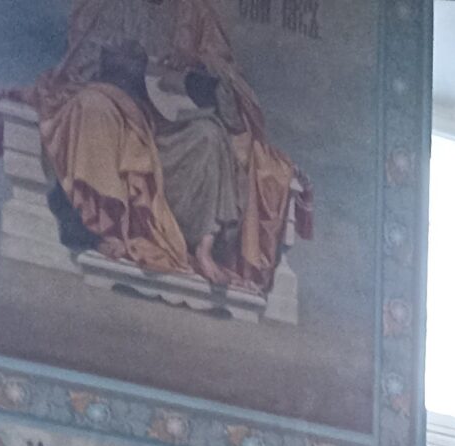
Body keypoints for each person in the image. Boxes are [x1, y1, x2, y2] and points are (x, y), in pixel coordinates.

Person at [30, 0, 300, 293]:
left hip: (166, 123)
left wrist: (198, 63)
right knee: (92, 106)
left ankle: (203, 249)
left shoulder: (196, 13)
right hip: (117, 108)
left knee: (208, 135)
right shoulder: (107, 4)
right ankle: (108, 229)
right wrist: (124, 59)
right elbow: (78, 62)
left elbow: (229, 77)